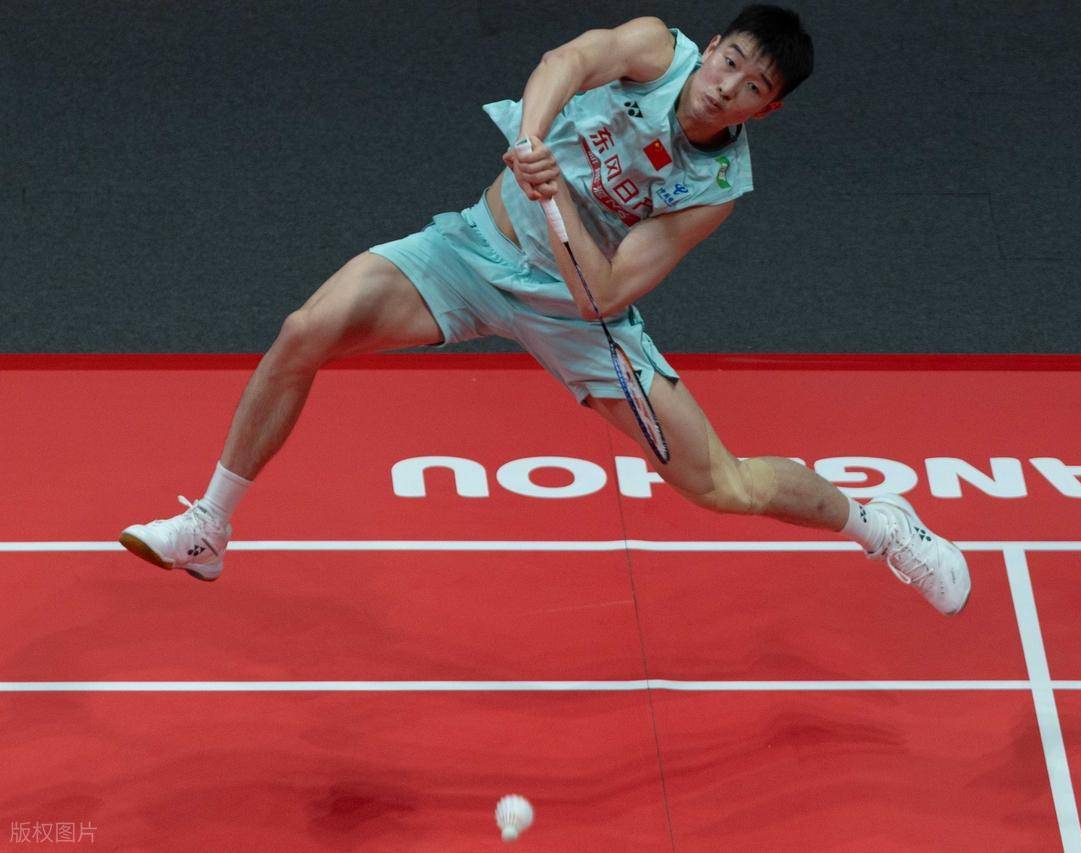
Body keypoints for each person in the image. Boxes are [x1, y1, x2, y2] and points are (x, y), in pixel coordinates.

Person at [119, 6, 970, 615]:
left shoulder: (716, 186)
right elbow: (569, 59)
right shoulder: (654, 47)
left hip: (578, 315)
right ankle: (209, 525)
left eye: (753, 87)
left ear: (766, 111)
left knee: (726, 486)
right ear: (710, 48)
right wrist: (530, 140)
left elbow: (608, 291)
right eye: (730, 63)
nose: (726, 88)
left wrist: (555, 193)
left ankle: (881, 527)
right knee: (306, 331)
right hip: (469, 253)